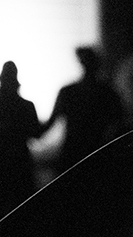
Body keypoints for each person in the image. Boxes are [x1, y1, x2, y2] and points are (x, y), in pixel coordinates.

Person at [41, 46, 124, 175]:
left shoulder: (68, 92)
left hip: (72, 159)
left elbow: (47, 126)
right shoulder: (108, 93)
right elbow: (119, 125)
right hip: (98, 158)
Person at [0, 61, 41, 220]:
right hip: (17, 162)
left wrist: (2, 130)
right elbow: (37, 133)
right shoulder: (26, 106)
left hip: (3, 161)